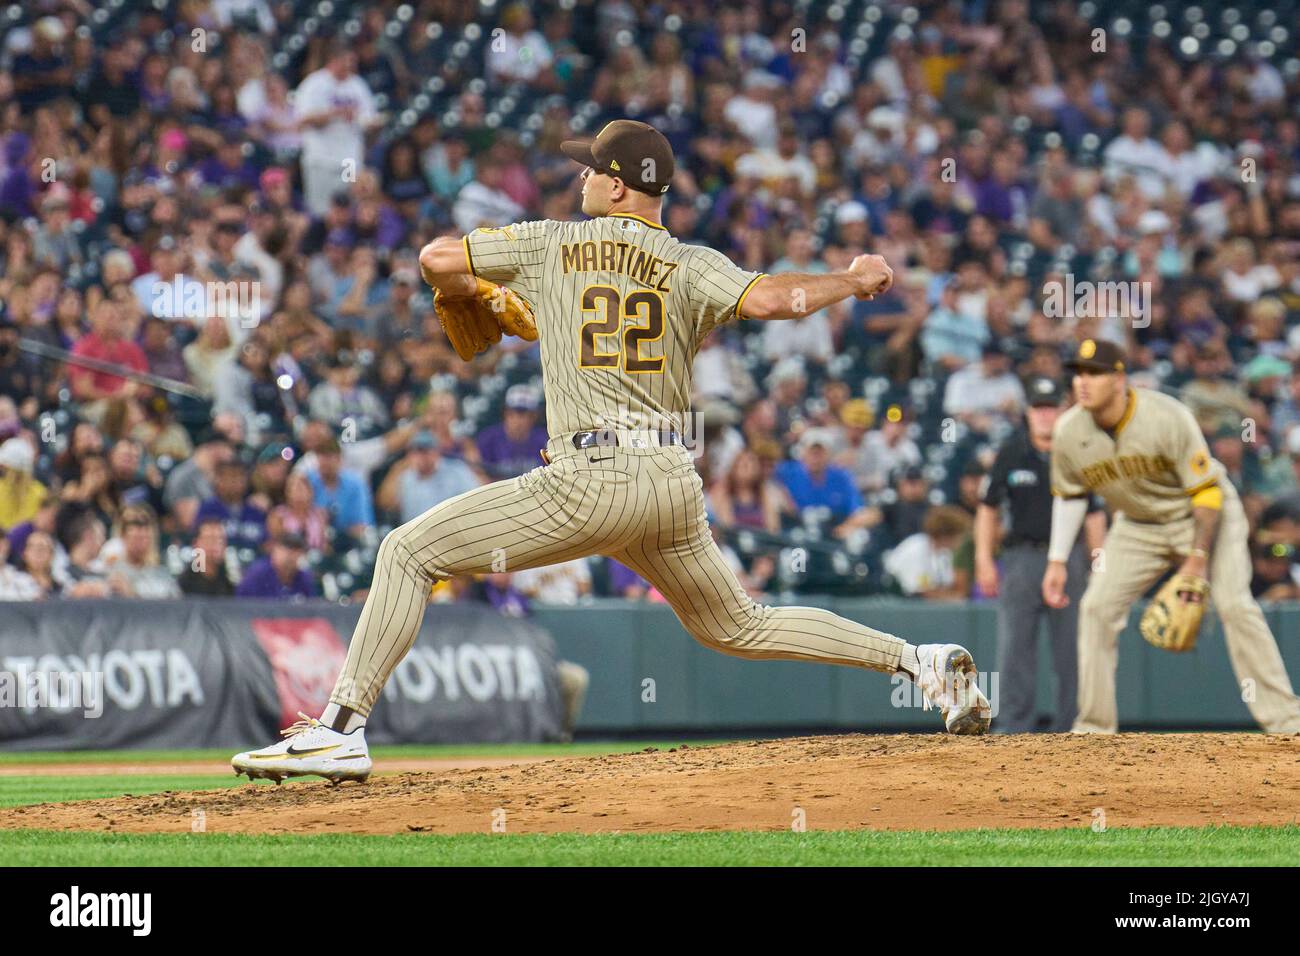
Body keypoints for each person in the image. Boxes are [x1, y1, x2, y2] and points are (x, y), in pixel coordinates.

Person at [233, 118, 989, 784]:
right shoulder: (691, 263)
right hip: (669, 480)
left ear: (622, 187)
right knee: (738, 625)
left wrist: (484, 296)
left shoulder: (551, 241)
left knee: (406, 551)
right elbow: (770, 300)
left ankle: (339, 729)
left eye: (593, 168)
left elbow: (435, 260)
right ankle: (918, 661)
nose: (583, 177)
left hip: (592, 476)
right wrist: (849, 280)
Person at [1043, 339, 1300, 734]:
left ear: (1119, 377)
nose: (1083, 381)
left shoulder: (1166, 416)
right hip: (1137, 524)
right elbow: (1071, 496)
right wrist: (1057, 560)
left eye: (1094, 372)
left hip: (1204, 513)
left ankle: (1286, 719)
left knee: (1234, 605)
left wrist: (1197, 556)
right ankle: (1093, 728)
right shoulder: (1068, 430)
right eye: (1078, 373)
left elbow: (1207, 491)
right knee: (1096, 608)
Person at [975, 376, 1106, 732]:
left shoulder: (1077, 452)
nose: (1046, 416)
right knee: (1015, 645)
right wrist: (984, 560)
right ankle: (1015, 724)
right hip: (1022, 558)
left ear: (1062, 412)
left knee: (1073, 648)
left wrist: (1100, 563)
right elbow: (987, 508)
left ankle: (1074, 724)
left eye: (1051, 408)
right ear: (1028, 413)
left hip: (1071, 559)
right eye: (1039, 409)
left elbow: (1094, 513)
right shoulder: (1012, 451)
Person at [235, 532, 314, 599]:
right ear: (275, 550)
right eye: (288, 550)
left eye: (297, 552)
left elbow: (309, 609)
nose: (292, 557)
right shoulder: (258, 574)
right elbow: (242, 605)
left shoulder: (303, 577)